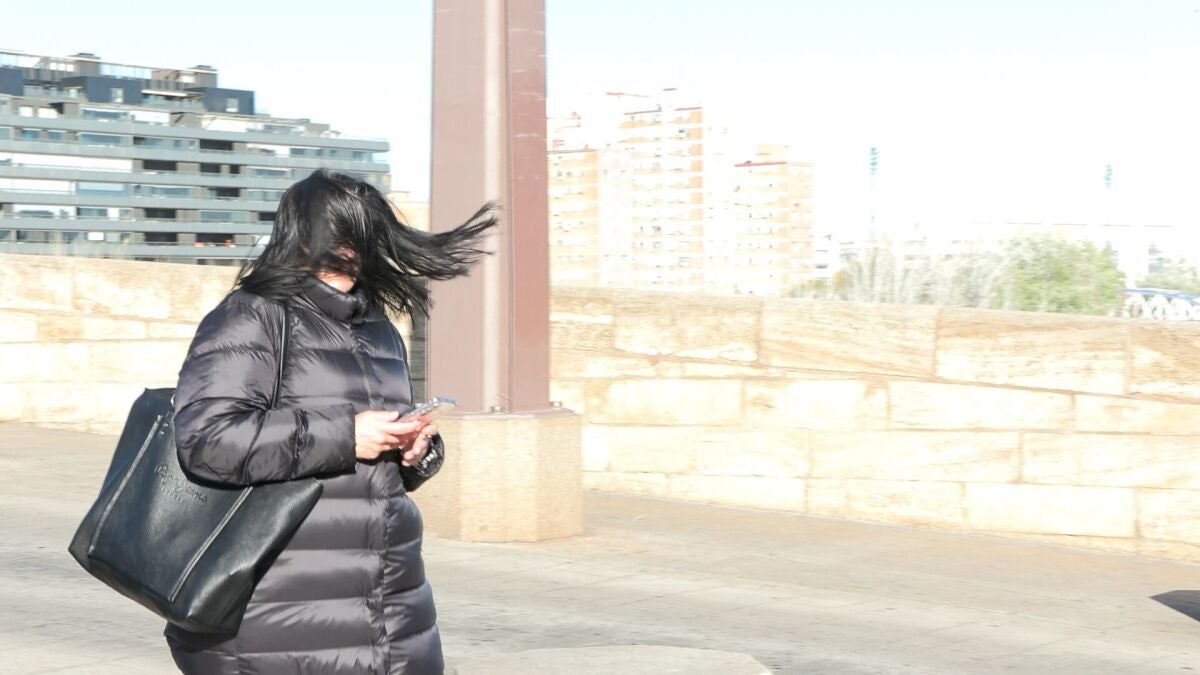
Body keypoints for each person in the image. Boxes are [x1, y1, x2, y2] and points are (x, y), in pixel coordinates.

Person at [164, 169, 496, 674]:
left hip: (389, 604)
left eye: (361, 241)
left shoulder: (378, 326)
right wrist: (346, 434)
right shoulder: (252, 317)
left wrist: (415, 450)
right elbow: (207, 439)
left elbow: (377, 461)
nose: (351, 256)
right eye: (339, 242)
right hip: (279, 615)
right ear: (301, 239)